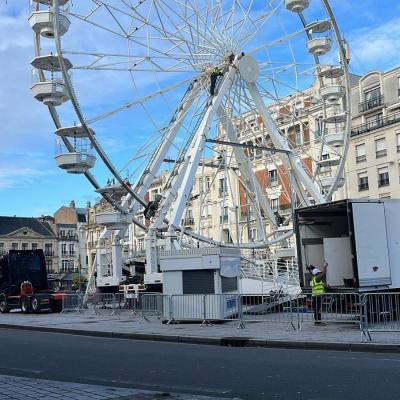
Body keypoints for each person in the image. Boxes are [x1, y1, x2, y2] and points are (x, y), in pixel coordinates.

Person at [310, 261, 328, 326]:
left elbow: (321, 285)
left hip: (315, 296)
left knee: (317, 309)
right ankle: (318, 322)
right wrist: (325, 266)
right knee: (318, 309)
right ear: (317, 273)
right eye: (319, 273)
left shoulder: (314, 279)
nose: (320, 274)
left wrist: (326, 286)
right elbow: (324, 273)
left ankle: (317, 321)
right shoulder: (317, 278)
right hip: (318, 296)